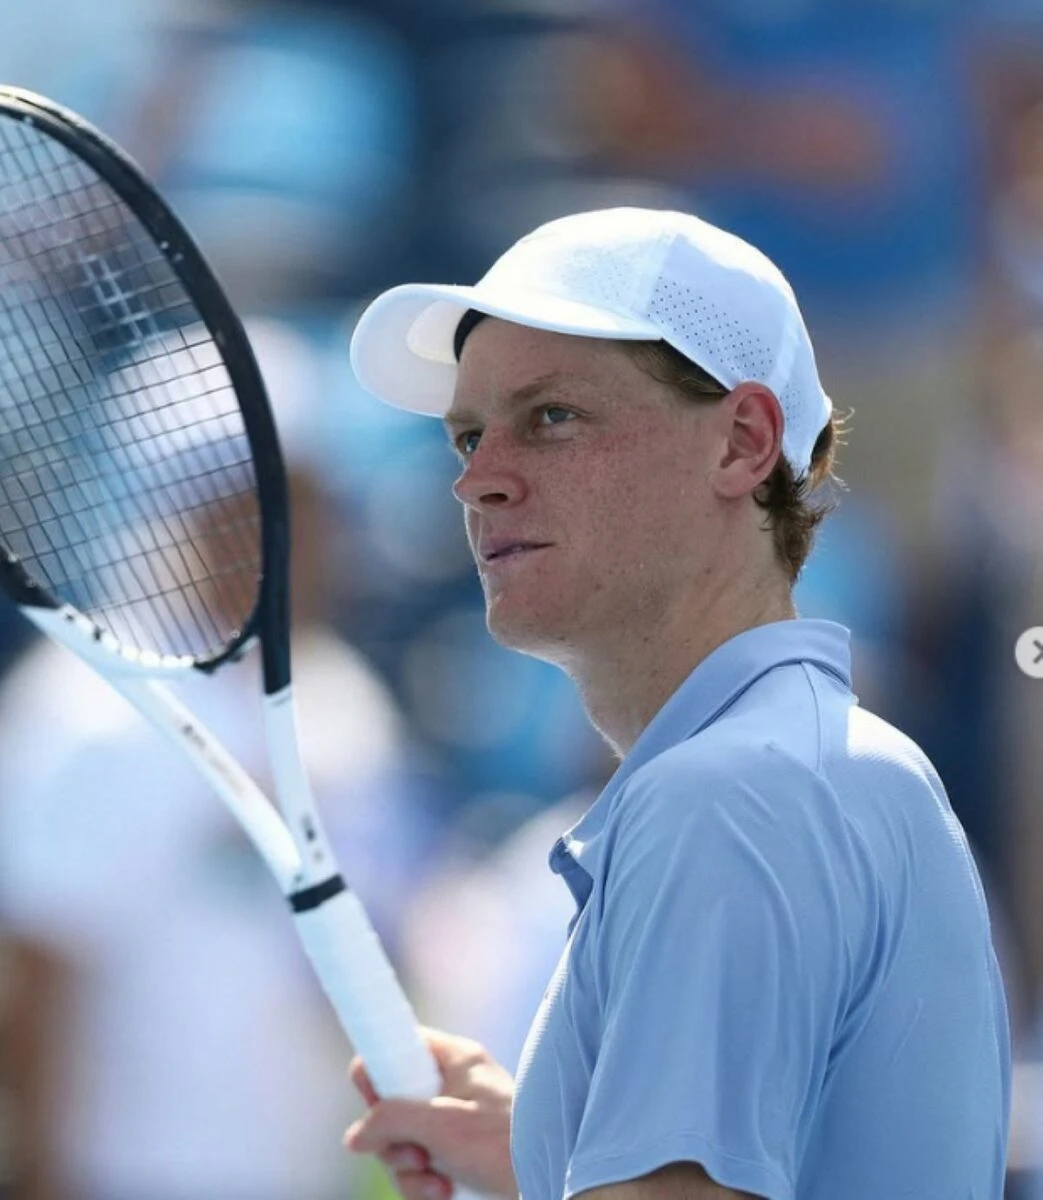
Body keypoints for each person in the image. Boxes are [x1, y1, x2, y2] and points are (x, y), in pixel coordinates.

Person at [344, 208, 1012, 1200]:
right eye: (468, 436)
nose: (475, 481)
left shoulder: (725, 798)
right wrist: (549, 1150)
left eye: (550, 417)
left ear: (741, 443)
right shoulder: (841, 766)